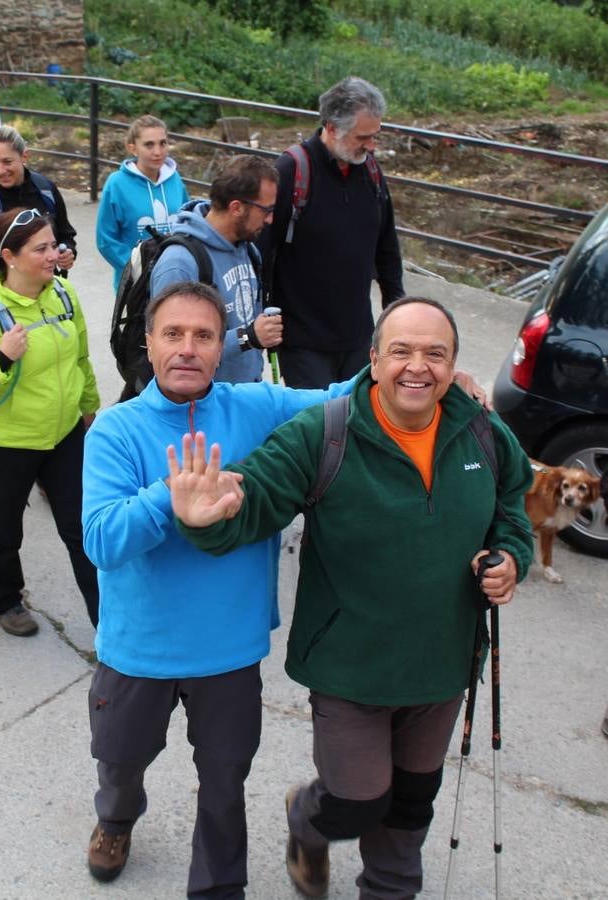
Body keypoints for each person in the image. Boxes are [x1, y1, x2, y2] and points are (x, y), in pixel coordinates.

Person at [172, 297, 534, 899]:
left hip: (443, 663)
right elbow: (255, 495)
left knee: (411, 807)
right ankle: (305, 821)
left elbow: (511, 507)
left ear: (451, 366)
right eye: (401, 350)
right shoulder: (327, 432)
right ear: (373, 358)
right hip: (349, 664)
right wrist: (209, 516)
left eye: (434, 353)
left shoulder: (481, 431)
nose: (417, 366)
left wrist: (510, 558)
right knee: (356, 801)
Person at [81, 280, 356, 896]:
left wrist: (425, 373)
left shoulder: (257, 406)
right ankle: (116, 820)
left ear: (222, 347)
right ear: (148, 344)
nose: (187, 348)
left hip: (228, 651)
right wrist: (171, 500)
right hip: (137, 651)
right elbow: (100, 539)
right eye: (172, 334)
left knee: (225, 784)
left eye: (203, 335)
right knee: (121, 763)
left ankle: (217, 888)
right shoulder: (115, 430)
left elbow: (343, 399)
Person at [0, 207, 100, 635]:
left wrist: (88, 406)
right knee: (2, 527)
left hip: (65, 434)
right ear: (10, 256)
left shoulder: (64, 296)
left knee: (80, 527)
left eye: (54, 245)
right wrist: (0, 358)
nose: (55, 254)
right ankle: (4, 600)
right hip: (7, 443)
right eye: (42, 248)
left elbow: (81, 357)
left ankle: (107, 619)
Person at [264, 76, 405, 389]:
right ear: (331, 127)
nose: (371, 146)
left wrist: (397, 306)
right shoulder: (291, 171)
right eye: (363, 138)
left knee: (357, 425)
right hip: (303, 343)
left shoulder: (371, 172)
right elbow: (263, 250)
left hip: (358, 338)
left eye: (375, 137)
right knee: (319, 430)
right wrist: (264, 321)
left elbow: (387, 245)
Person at [150, 154, 282, 386]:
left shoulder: (249, 250)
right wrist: (248, 337)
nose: (271, 219)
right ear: (237, 208)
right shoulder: (180, 262)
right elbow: (172, 347)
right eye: (266, 210)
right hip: (202, 405)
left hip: (245, 395)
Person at [0, 125, 77, 291]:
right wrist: (12, 280)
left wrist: (67, 252)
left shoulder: (46, 190)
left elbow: (65, 235)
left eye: (7, 162)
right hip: (4, 302)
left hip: (49, 294)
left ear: (24, 156)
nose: (0, 170)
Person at [95, 114, 189, 292]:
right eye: (149, 144)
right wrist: (136, 269)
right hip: (137, 287)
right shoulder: (116, 184)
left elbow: (187, 222)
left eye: (163, 143)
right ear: (133, 148)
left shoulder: (175, 179)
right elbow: (105, 239)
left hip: (175, 280)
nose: (158, 151)